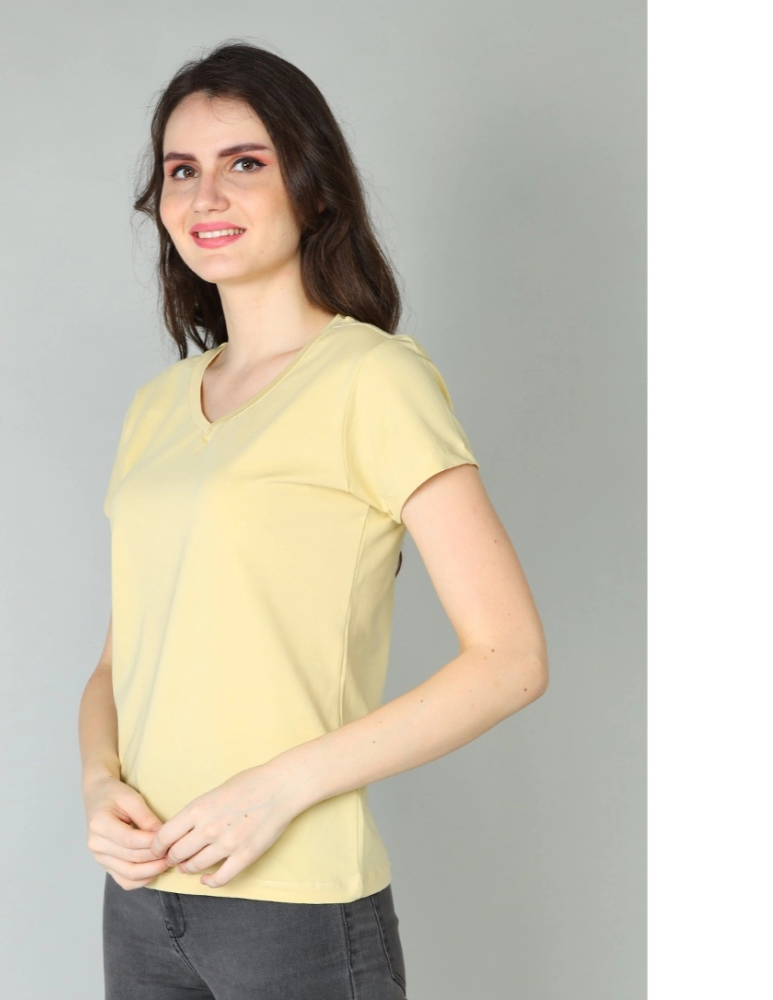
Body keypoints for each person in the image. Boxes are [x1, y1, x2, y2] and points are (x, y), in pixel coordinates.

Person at [78, 40, 549, 999]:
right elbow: (118, 665)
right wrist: (99, 784)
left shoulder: (374, 380)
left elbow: (511, 660)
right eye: (182, 170)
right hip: (142, 906)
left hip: (294, 911)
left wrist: (278, 788)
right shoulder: (154, 410)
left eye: (244, 163)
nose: (207, 196)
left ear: (312, 187)